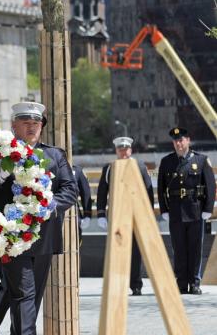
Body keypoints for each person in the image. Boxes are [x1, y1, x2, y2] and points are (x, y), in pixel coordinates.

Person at [0, 102, 77, 335]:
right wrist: (0, 174)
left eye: (36, 123)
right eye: (25, 122)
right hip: (10, 237)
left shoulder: (54, 155)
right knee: (23, 292)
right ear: (14, 126)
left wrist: (50, 204)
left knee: (29, 296)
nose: (32, 127)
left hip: (43, 236)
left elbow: (69, 189)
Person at [157, 127, 215, 295]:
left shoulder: (201, 160)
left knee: (195, 249)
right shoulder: (167, 162)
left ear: (188, 140)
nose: (178, 143)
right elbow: (161, 188)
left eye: (181, 140)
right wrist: (164, 209)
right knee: (179, 249)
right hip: (175, 211)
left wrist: (208, 208)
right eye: (176, 141)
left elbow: (210, 186)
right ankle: (181, 283)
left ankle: (195, 282)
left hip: (195, 210)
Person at [96, 136, 154, 296]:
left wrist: (147, 215)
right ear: (116, 151)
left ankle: (136, 285)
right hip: (117, 215)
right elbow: (102, 192)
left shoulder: (140, 167)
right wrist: (101, 214)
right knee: (117, 251)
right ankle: (118, 285)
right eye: (120, 149)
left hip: (135, 215)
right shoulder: (109, 168)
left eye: (126, 149)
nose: (123, 152)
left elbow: (148, 191)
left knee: (135, 252)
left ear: (131, 150)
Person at [73, 164, 93, 242]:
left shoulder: (77, 171)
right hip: (53, 214)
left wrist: (87, 214)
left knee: (75, 241)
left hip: (73, 213)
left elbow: (86, 194)